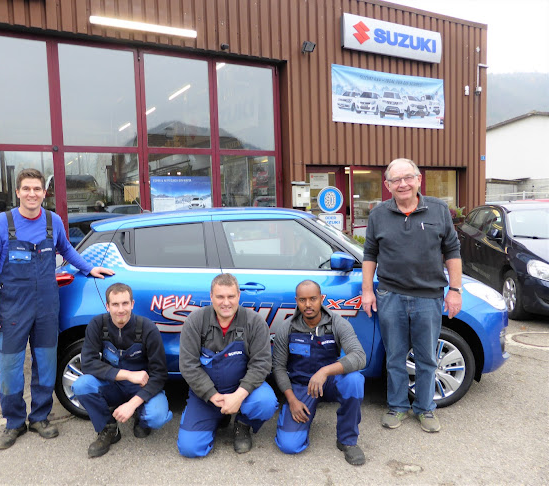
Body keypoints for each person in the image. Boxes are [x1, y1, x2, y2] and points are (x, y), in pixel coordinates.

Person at [0, 168, 115, 450]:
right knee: (11, 368)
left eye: (37, 189)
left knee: (46, 363)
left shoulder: (53, 221)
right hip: (12, 309)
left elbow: (67, 250)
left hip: (46, 307)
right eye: (26, 189)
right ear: (18, 192)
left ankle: (40, 417)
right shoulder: (1, 225)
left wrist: (90, 268)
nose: (32, 194)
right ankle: (14, 422)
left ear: (44, 193)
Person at [361, 158, 462, 433]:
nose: (402, 184)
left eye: (408, 178)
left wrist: (455, 290)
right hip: (390, 294)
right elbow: (370, 253)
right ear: (388, 186)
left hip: (429, 297)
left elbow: (452, 251)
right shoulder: (378, 214)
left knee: (427, 357)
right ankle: (397, 407)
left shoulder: (439, 210)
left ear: (419, 180)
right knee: (394, 356)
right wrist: (368, 290)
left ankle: (426, 408)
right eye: (396, 180)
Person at [177, 273, 278, 457]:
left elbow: (261, 363)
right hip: (206, 395)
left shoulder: (254, 322)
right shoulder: (195, 321)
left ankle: (243, 424)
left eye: (231, 296)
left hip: (241, 390)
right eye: (220, 297)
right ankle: (216, 417)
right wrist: (212, 396)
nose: (226, 302)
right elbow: (188, 365)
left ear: (238, 296)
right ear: (211, 297)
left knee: (266, 402)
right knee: (190, 449)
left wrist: (239, 396)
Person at [72, 283, 173, 458]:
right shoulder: (97, 324)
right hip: (112, 384)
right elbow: (88, 363)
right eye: (115, 304)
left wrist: (132, 405)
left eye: (125, 304)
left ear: (132, 304)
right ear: (107, 306)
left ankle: (141, 419)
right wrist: (128, 375)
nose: (121, 310)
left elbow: (160, 374)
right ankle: (108, 428)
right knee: (81, 385)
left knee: (157, 417)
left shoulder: (147, 328)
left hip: (141, 388)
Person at [273, 280, 366, 465]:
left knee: (355, 380)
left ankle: (347, 440)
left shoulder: (338, 323)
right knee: (289, 445)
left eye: (313, 299)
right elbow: (278, 367)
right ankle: (301, 416)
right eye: (302, 300)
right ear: (296, 301)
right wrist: (291, 400)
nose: (308, 305)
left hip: (329, 382)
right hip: (301, 387)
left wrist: (325, 371)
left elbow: (359, 356)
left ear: (321, 298)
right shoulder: (287, 328)